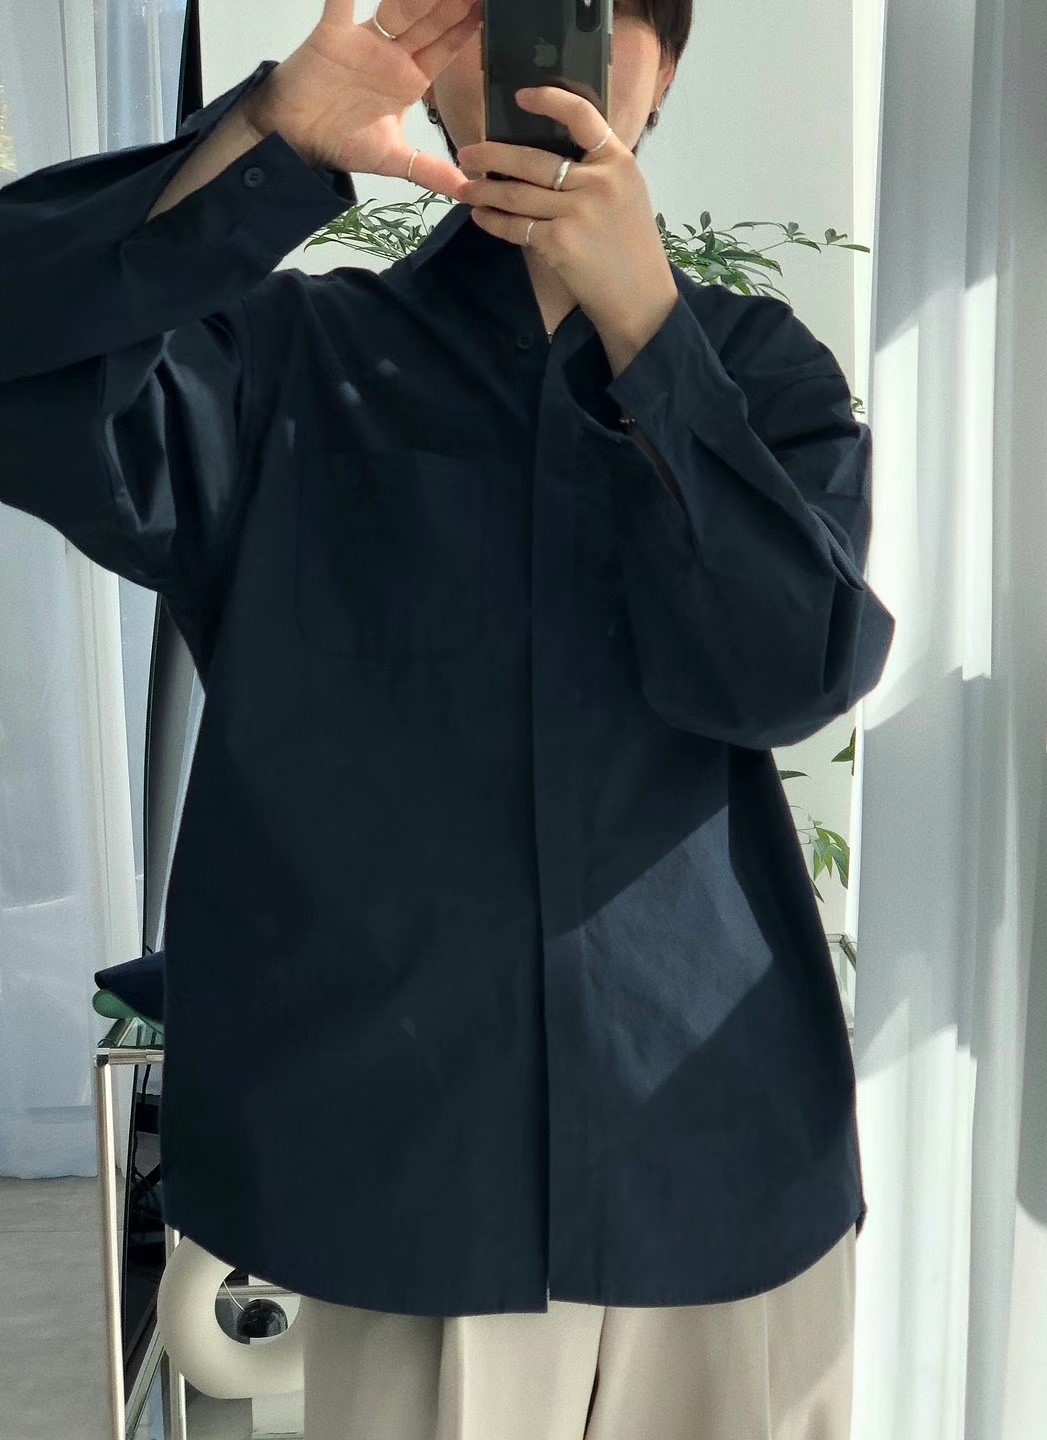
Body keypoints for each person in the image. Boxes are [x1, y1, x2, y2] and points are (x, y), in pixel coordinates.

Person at [0, 1, 896, 1435]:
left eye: (595, 9)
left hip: (718, 1152)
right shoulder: (287, 359)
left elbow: (794, 671)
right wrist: (266, 140)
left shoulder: (759, 370)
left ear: (661, 68)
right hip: (417, 1178)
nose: (543, 41)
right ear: (433, 54)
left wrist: (649, 336)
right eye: (495, 5)